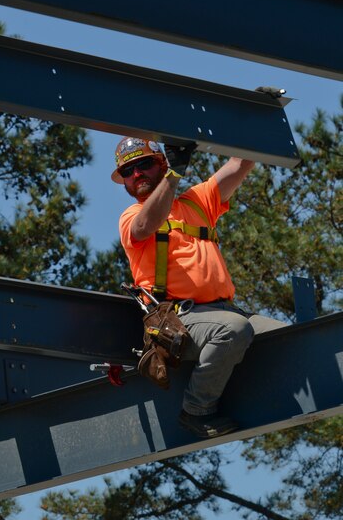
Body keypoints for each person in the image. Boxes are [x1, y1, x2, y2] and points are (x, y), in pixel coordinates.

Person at [111, 137, 287, 439]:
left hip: (225, 311)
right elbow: (144, 226)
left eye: (144, 164)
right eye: (129, 171)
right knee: (231, 330)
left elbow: (240, 162)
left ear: (161, 163)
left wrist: (250, 123)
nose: (137, 174)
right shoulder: (131, 216)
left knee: (289, 338)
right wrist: (174, 176)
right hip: (179, 321)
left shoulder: (197, 201)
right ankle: (196, 410)